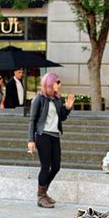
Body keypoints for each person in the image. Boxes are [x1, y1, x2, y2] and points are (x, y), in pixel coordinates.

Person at [27, 72, 74, 208]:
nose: (60, 85)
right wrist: (31, 140)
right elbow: (32, 120)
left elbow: (62, 117)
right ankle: (41, 196)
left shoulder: (57, 99)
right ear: (50, 83)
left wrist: (68, 108)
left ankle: (43, 192)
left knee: (56, 166)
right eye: (57, 82)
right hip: (43, 136)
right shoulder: (39, 99)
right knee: (45, 166)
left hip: (55, 136)